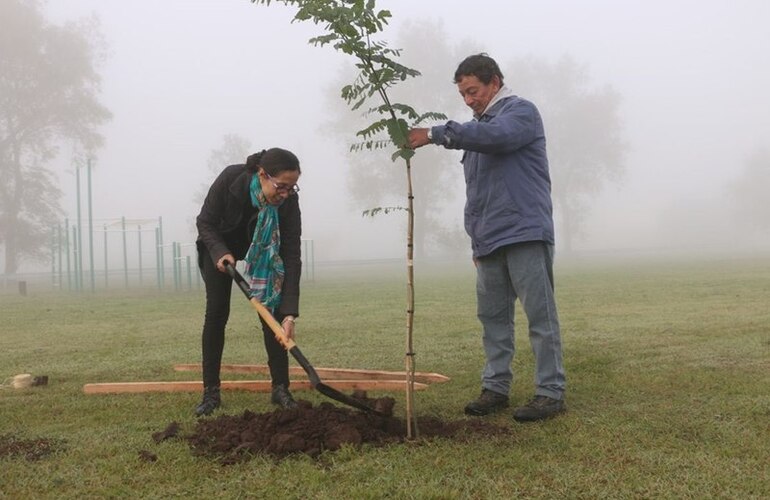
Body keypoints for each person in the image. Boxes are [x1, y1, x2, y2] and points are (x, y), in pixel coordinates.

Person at [407, 53, 566, 422]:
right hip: (489, 240)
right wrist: (476, 241)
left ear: (494, 82)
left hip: (525, 232)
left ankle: (550, 391)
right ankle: (496, 388)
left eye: (473, 91)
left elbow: (498, 137)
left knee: (540, 318)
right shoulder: (476, 129)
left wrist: (434, 133)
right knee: (493, 319)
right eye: (463, 94)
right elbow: (478, 193)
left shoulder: (520, 113)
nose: (468, 100)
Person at [194, 147, 302, 416]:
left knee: (272, 315)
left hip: (266, 254)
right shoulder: (230, 179)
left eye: (292, 187)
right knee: (217, 312)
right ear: (263, 174)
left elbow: (290, 255)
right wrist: (220, 252)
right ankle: (211, 393)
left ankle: (280, 389)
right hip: (219, 245)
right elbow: (205, 222)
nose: (286, 193)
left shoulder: (288, 202)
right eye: (281, 186)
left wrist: (289, 314)